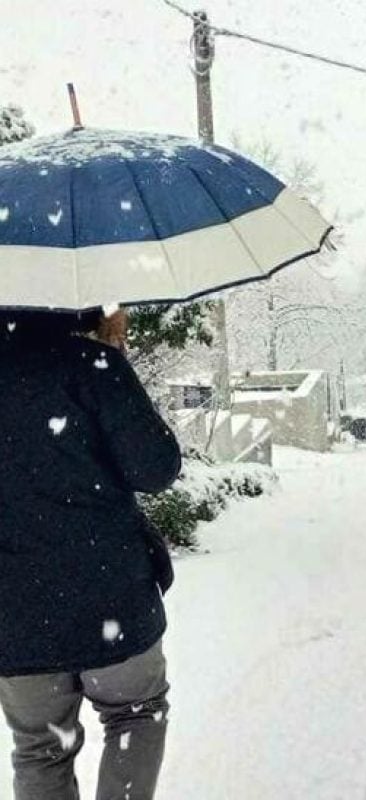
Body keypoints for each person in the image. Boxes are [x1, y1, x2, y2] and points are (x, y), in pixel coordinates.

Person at [0, 308, 181, 800]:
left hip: (14, 610)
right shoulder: (89, 364)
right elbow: (155, 468)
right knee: (136, 713)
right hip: (109, 591)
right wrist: (110, 359)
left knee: (39, 746)